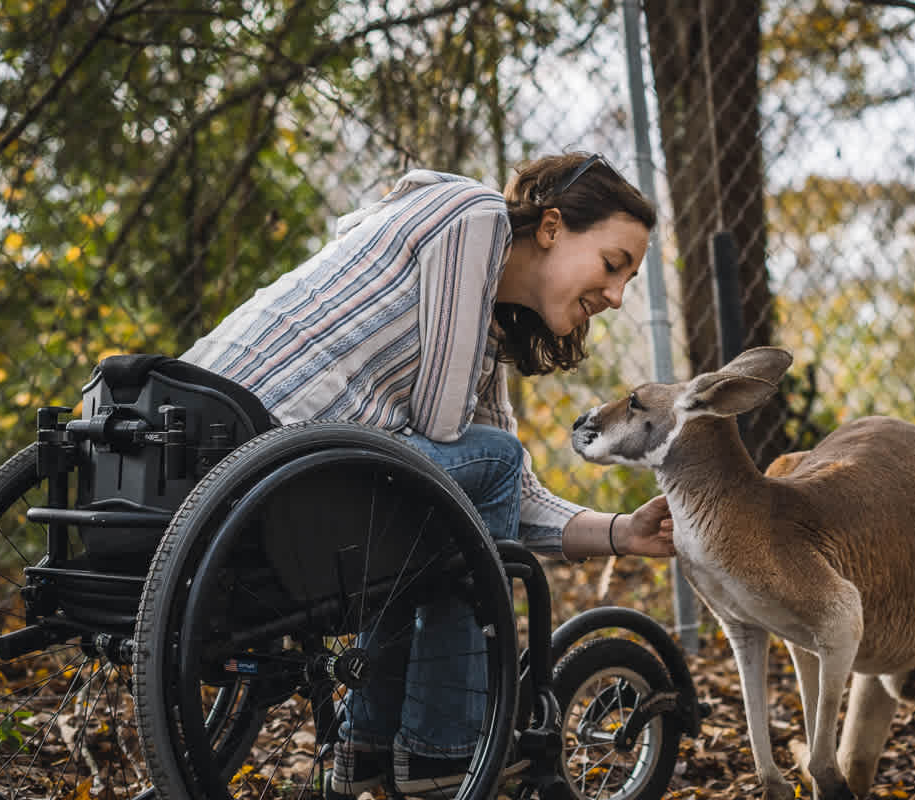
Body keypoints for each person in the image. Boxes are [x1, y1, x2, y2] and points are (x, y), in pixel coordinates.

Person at [178, 152, 677, 797]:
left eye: (627, 283)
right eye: (613, 266)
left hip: (213, 445)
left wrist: (621, 532)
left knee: (464, 476)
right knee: (474, 465)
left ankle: (368, 750)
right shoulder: (472, 217)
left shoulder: (479, 327)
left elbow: (507, 492)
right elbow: (452, 442)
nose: (614, 297)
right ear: (550, 227)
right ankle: (444, 751)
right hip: (263, 452)